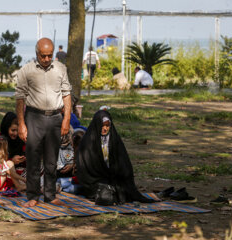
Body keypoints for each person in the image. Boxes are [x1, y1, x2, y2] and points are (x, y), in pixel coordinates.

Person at [15, 37, 72, 207]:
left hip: (55, 117)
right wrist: (21, 124)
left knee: (52, 159)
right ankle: (33, 196)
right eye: (43, 56)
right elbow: (20, 99)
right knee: (33, 158)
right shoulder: (26, 70)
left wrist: (66, 119)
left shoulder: (61, 68)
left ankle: (50, 194)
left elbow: (66, 94)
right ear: (36, 53)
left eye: (49, 55)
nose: (46, 59)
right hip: (34, 117)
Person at [75, 110, 154, 204]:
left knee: (123, 190)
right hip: (95, 180)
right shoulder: (88, 142)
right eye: (102, 125)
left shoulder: (114, 140)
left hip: (113, 177)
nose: (105, 128)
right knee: (104, 193)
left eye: (107, 126)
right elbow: (85, 169)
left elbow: (124, 164)